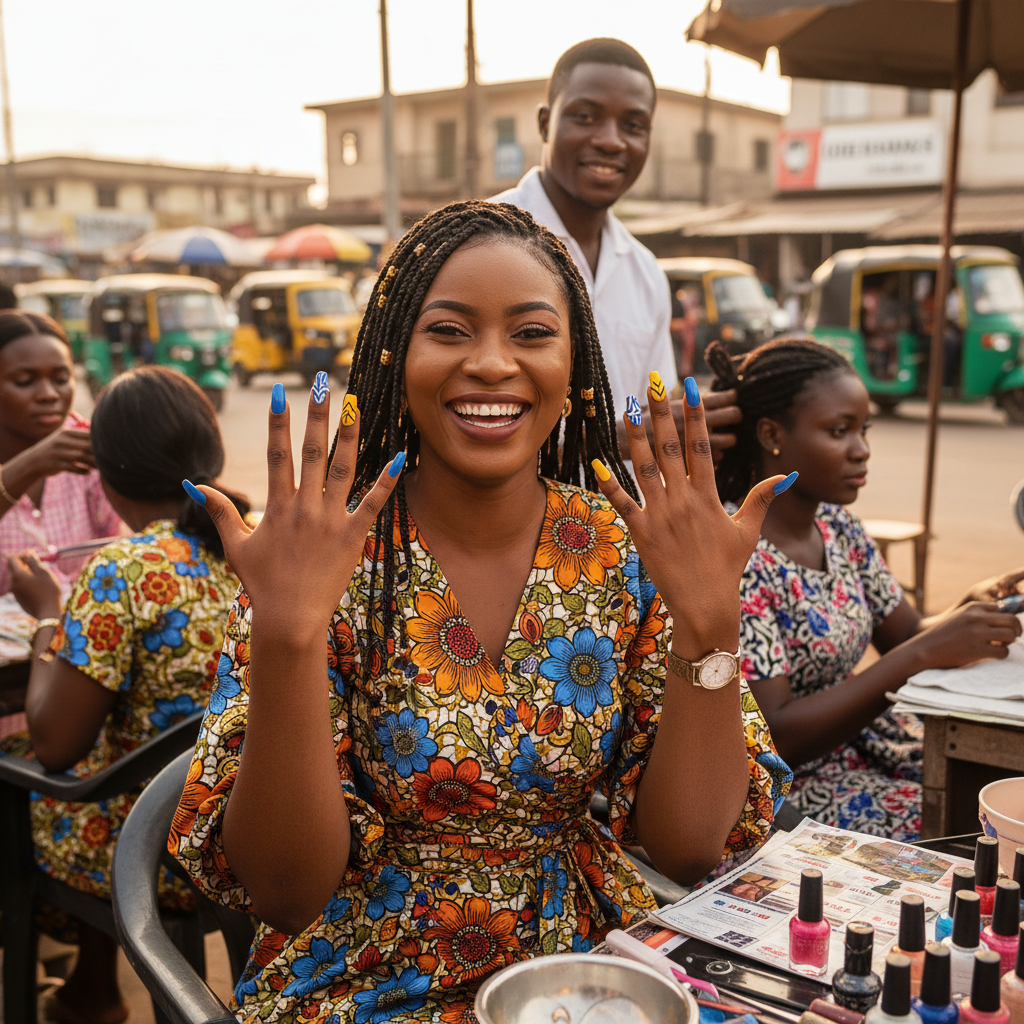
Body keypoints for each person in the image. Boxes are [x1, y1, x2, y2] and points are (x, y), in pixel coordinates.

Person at [171, 200, 793, 1021]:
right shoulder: (327, 553)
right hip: (364, 976)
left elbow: (686, 846)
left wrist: (710, 624)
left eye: (532, 333)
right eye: (451, 330)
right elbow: (285, 894)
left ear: (575, 370)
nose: (493, 363)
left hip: (583, 963)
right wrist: (288, 635)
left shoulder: (622, 546)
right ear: (396, 358)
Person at [2, 366, 247, 1024]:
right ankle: (90, 986)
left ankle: (72, 980)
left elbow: (56, 746)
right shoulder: (250, 545)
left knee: (21, 774)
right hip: (246, 826)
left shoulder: (121, 570)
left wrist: (49, 614)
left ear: (102, 474)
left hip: (153, 845)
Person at [707, 337, 1022, 842]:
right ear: (771, 435)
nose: (862, 450)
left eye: (864, 429)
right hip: (786, 788)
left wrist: (973, 605)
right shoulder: (735, 551)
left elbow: (909, 633)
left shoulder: (838, 527)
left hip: (866, 748)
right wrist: (921, 654)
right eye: (840, 431)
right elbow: (776, 734)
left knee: (989, 790)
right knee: (971, 822)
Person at [491, 38, 740, 457]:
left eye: (633, 125)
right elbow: (461, 419)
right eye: (585, 117)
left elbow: (646, 410)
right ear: (544, 124)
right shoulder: (480, 246)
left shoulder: (644, 272)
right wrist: (614, 438)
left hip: (618, 522)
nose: (611, 141)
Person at [0, 310, 123, 596]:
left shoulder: (91, 450)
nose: (49, 394)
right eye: (24, 381)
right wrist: (30, 465)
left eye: (61, 378)